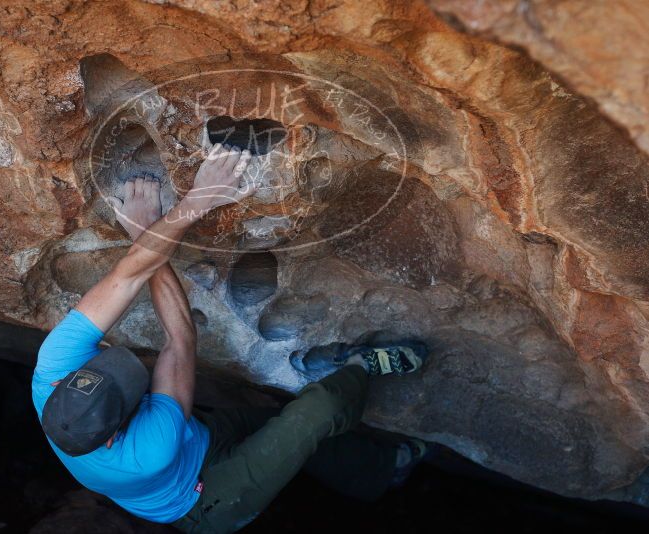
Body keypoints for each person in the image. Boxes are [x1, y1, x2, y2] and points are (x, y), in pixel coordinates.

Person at [31, 143, 428, 533]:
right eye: (130, 384)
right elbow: (180, 339)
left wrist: (161, 224)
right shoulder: (146, 453)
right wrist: (159, 224)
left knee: (294, 434)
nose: (119, 359)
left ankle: (386, 466)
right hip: (205, 495)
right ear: (118, 431)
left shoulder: (52, 366)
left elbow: (127, 276)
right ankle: (359, 366)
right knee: (318, 410)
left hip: (199, 436)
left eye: (101, 367)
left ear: (62, 384)